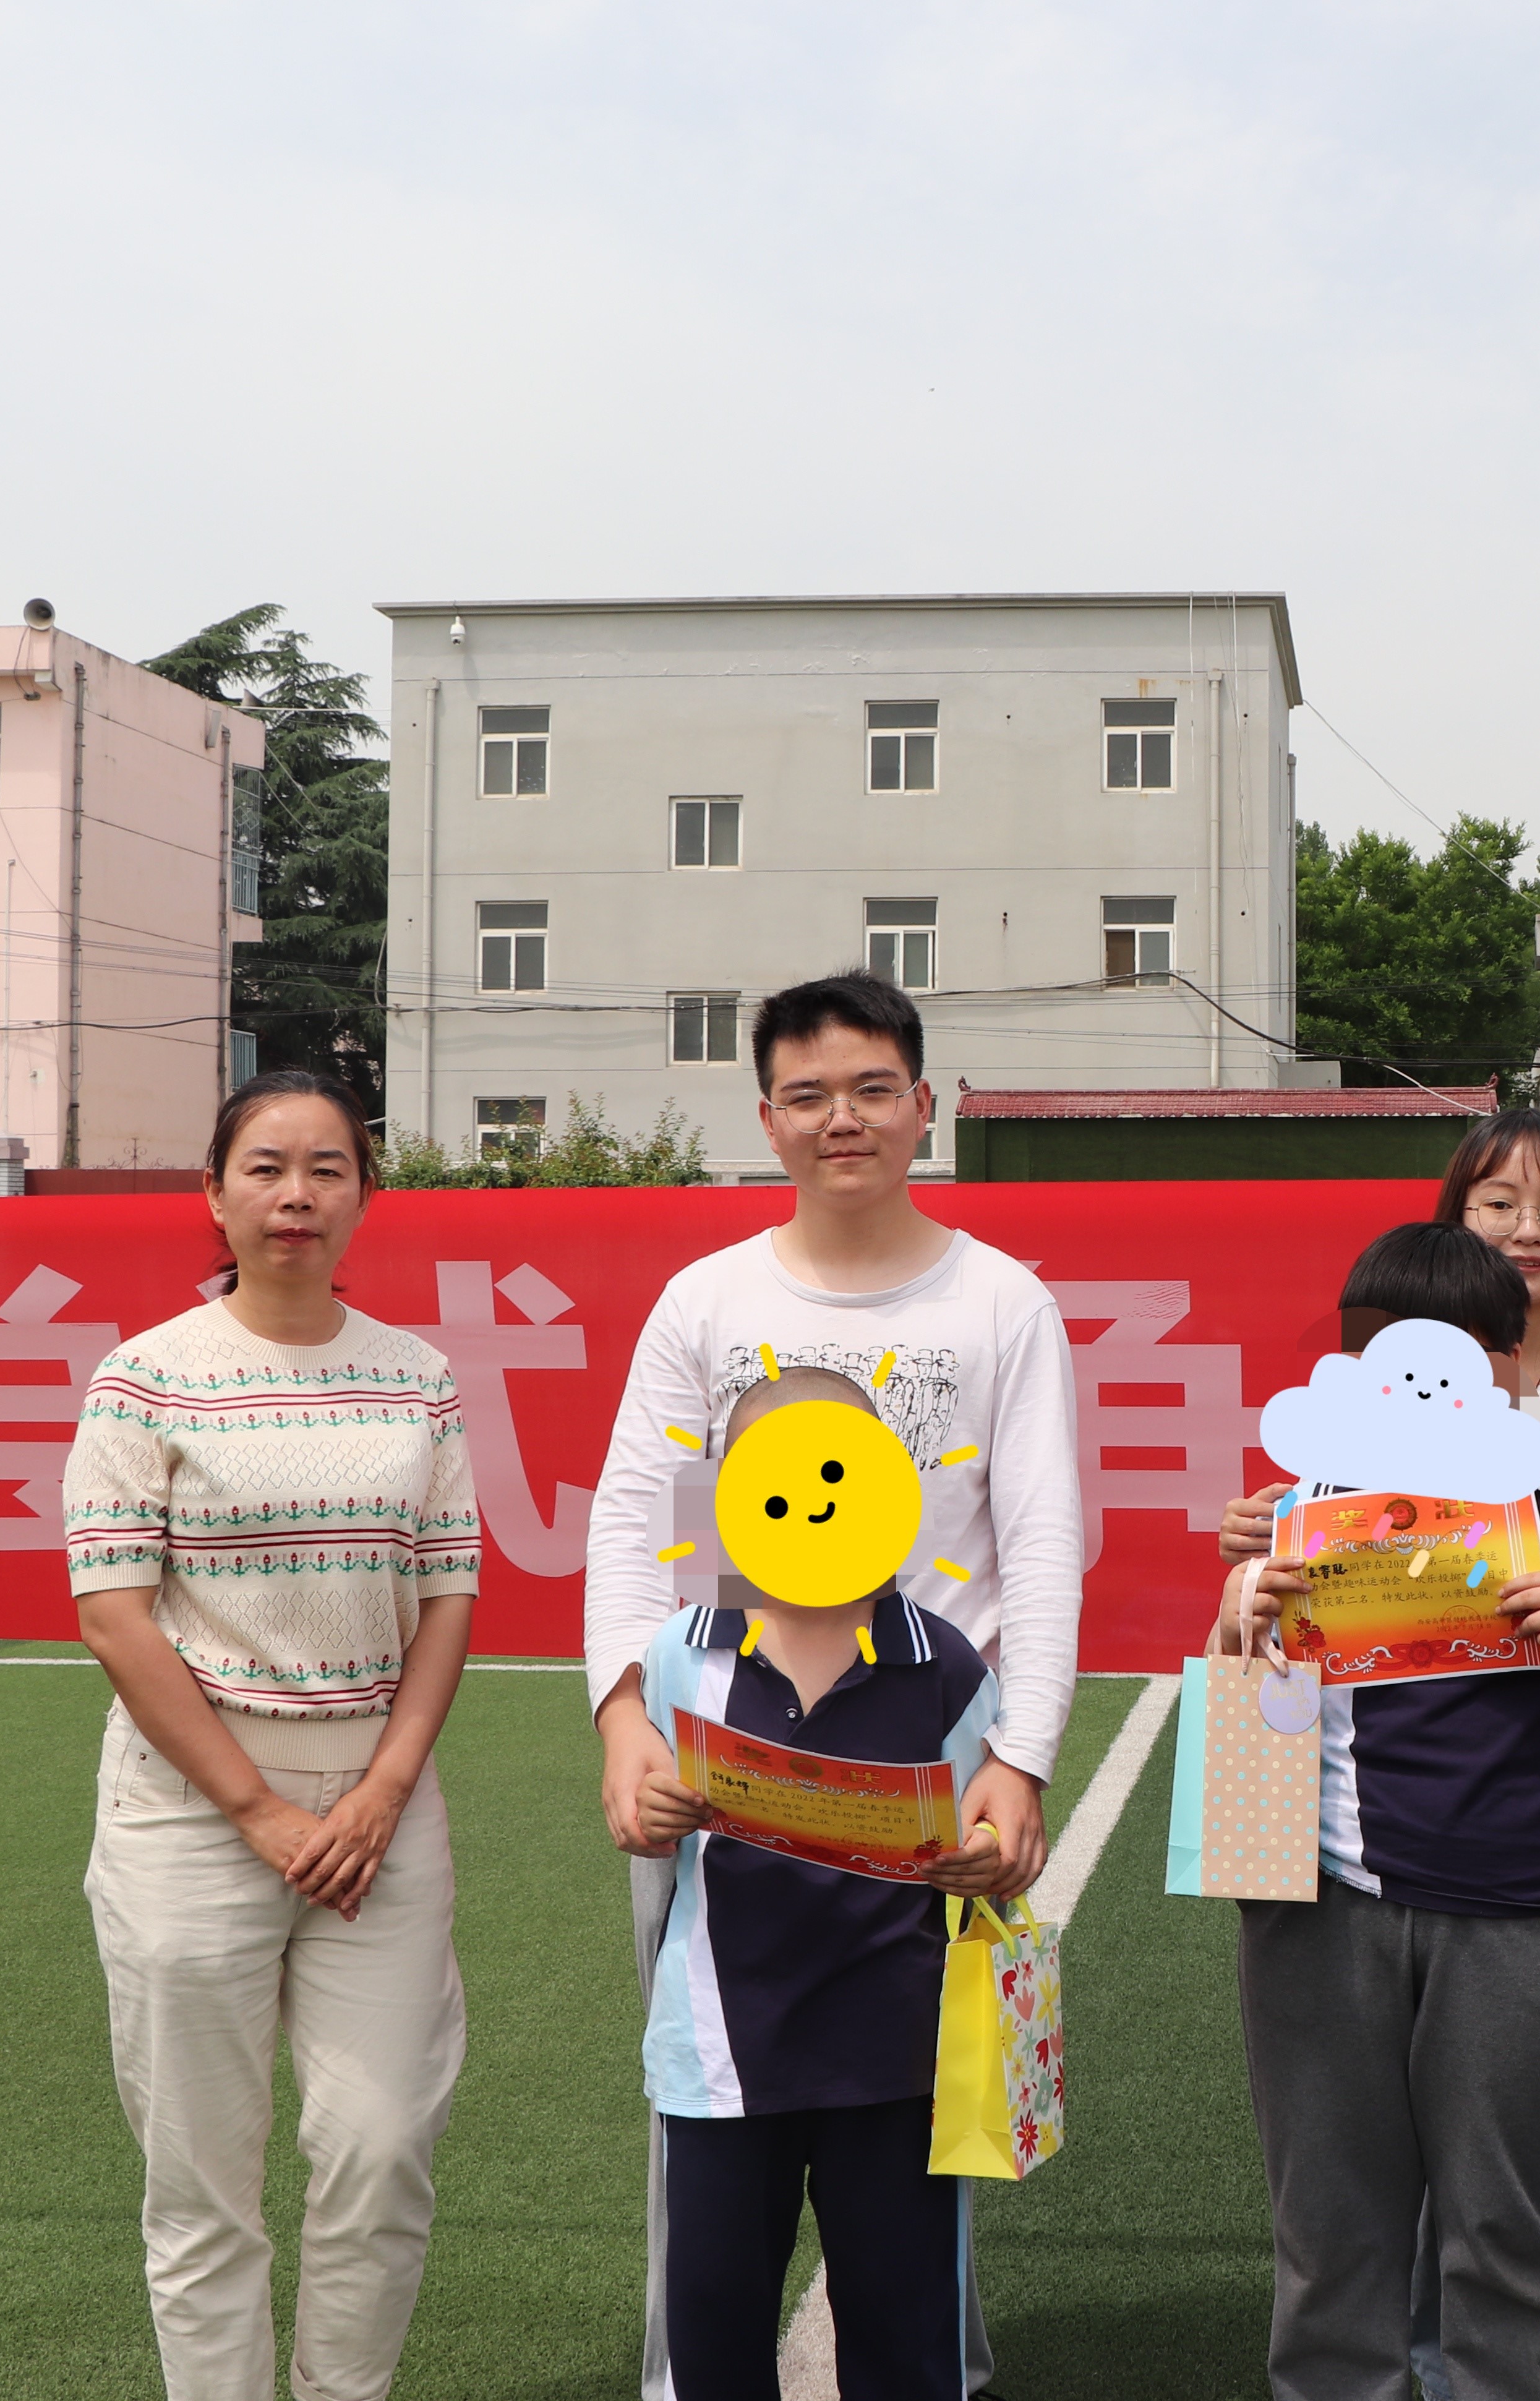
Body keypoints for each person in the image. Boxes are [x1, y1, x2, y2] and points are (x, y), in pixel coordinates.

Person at [584, 971, 1084, 2397]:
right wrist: (623, 1720)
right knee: (711, 2096)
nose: (840, 1118)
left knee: (912, 2127)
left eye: (871, 1088)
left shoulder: (1000, 1300)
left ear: (923, 1105)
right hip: (718, 1769)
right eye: (806, 1094)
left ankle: (933, 2357)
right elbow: (631, 1518)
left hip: (924, 1765)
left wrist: (1020, 1758)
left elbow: (1044, 1540)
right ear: (767, 1118)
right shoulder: (707, 1299)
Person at [1217, 1108, 1540, 2401]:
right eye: (1390, 1359)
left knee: (1515, 2235)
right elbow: (1243, 1714)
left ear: (1511, 1367)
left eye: (1458, 1358)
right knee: (1331, 2237)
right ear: (1347, 1371)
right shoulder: (1302, 1515)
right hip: (1323, 1908)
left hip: (1527, 1914)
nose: (1424, 1387)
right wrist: (1242, 1617)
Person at [66, 1071, 480, 2401]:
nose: (295, 1195)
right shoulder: (145, 1378)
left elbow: (448, 1594)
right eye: (264, 1167)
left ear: (366, 1192)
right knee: (202, 2184)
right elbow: (114, 1613)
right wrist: (257, 1809)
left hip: (377, 1819)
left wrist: (384, 1790)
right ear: (214, 1192)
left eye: (326, 1168)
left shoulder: (418, 1377)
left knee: (381, 2148)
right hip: (192, 1820)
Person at [618, 1367, 1014, 2401]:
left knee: (902, 2339)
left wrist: (991, 1853)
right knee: (715, 2332)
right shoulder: (682, 1653)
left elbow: (1006, 1838)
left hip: (894, 2061)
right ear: (730, 1494)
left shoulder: (943, 1665)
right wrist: (651, 1812)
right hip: (721, 2060)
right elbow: (637, 1818)